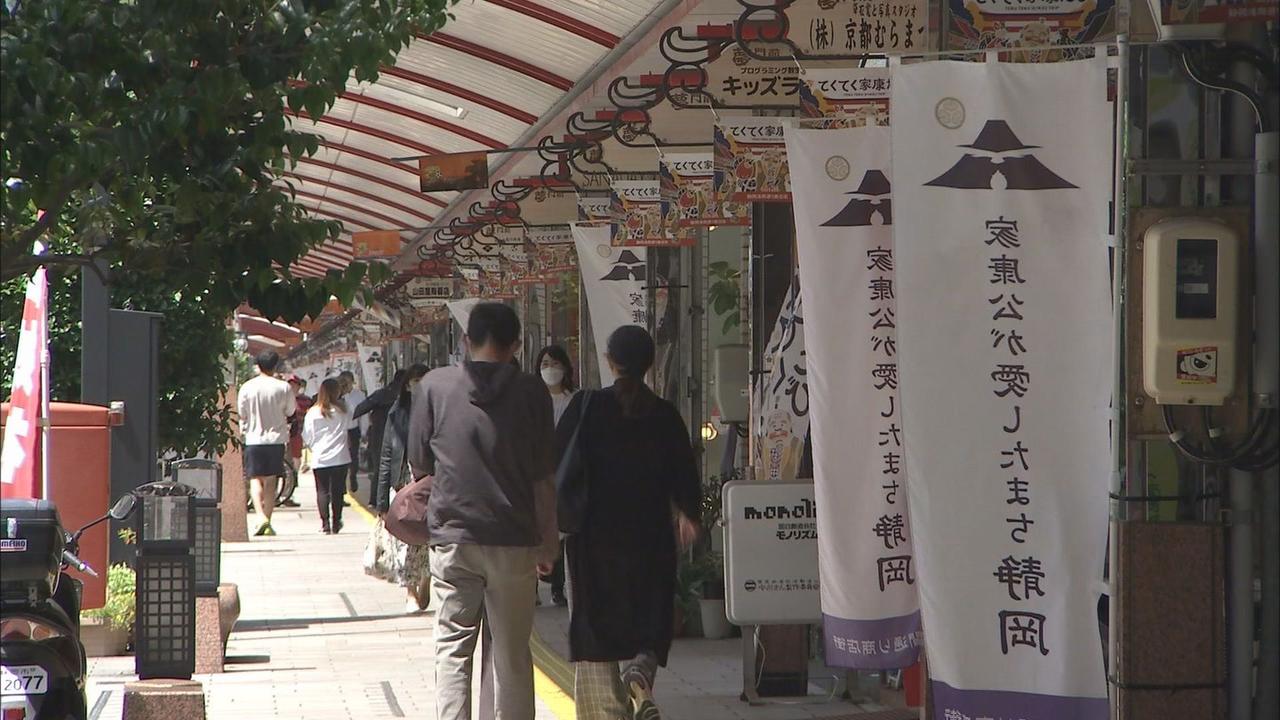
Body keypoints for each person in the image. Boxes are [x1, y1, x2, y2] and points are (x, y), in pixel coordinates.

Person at [407, 302, 558, 720]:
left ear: (466, 341)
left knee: (453, 647)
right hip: (513, 539)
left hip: (453, 536)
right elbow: (543, 476)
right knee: (511, 652)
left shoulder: (435, 386)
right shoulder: (532, 392)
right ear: (517, 345)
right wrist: (548, 542)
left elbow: (419, 463)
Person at [555, 325, 701, 720]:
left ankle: (608, 712)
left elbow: (558, 468)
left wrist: (549, 534)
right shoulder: (665, 414)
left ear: (609, 361)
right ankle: (640, 672)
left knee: (596, 628)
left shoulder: (586, 407)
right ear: (650, 364)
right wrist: (689, 514)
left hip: (593, 542)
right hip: (650, 538)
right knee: (649, 619)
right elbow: (686, 475)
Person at [367, 363, 432, 611]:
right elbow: (386, 456)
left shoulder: (440, 412)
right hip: (402, 482)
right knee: (404, 542)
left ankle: (425, 579)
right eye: (412, 382)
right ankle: (410, 592)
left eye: (421, 380)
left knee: (426, 540)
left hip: (427, 484)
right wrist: (381, 500)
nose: (416, 386)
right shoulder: (396, 413)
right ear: (405, 386)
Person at [535, 345, 577, 606]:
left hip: (565, 472)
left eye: (555, 363)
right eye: (545, 364)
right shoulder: (532, 401)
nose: (550, 369)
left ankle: (558, 587)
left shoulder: (573, 401)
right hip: (539, 472)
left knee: (562, 528)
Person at [238, 350, 296, 537]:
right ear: (275, 365)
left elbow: (242, 413)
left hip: (253, 439)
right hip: (276, 440)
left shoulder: (247, 387)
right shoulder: (283, 387)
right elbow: (290, 411)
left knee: (255, 480)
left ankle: (260, 517)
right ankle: (268, 521)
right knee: (271, 481)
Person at [303, 378, 352, 534]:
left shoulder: (313, 412)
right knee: (338, 490)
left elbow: (307, 436)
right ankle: (337, 522)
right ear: (336, 392)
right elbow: (350, 429)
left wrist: (313, 447)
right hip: (341, 456)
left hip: (320, 456)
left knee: (322, 490)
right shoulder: (344, 410)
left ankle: (325, 524)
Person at [355, 368, 407, 507]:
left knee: (380, 468)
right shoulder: (410, 396)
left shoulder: (381, 394)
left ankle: (376, 499)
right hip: (403, 436)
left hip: (379, 435)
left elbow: (359, 409)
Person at [282, 374, 312, 508]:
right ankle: (284, 494)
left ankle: (288, 492)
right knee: (284, 464)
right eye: (290, 384)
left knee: (295, 464)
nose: (292, 387)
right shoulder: (281, 398)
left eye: (295, 384)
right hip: (282, 435)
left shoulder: (305, 401)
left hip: (297, 436)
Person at [339, 370, 367, 500]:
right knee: (342, 459)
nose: (345, 385)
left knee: (353, 456)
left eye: (347, 382)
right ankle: (342, 486)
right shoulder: (337, 396)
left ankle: (353, 476)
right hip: (340, 431)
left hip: (353, 429)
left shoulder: (359, 395)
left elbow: (363, 414)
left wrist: (364, 431)